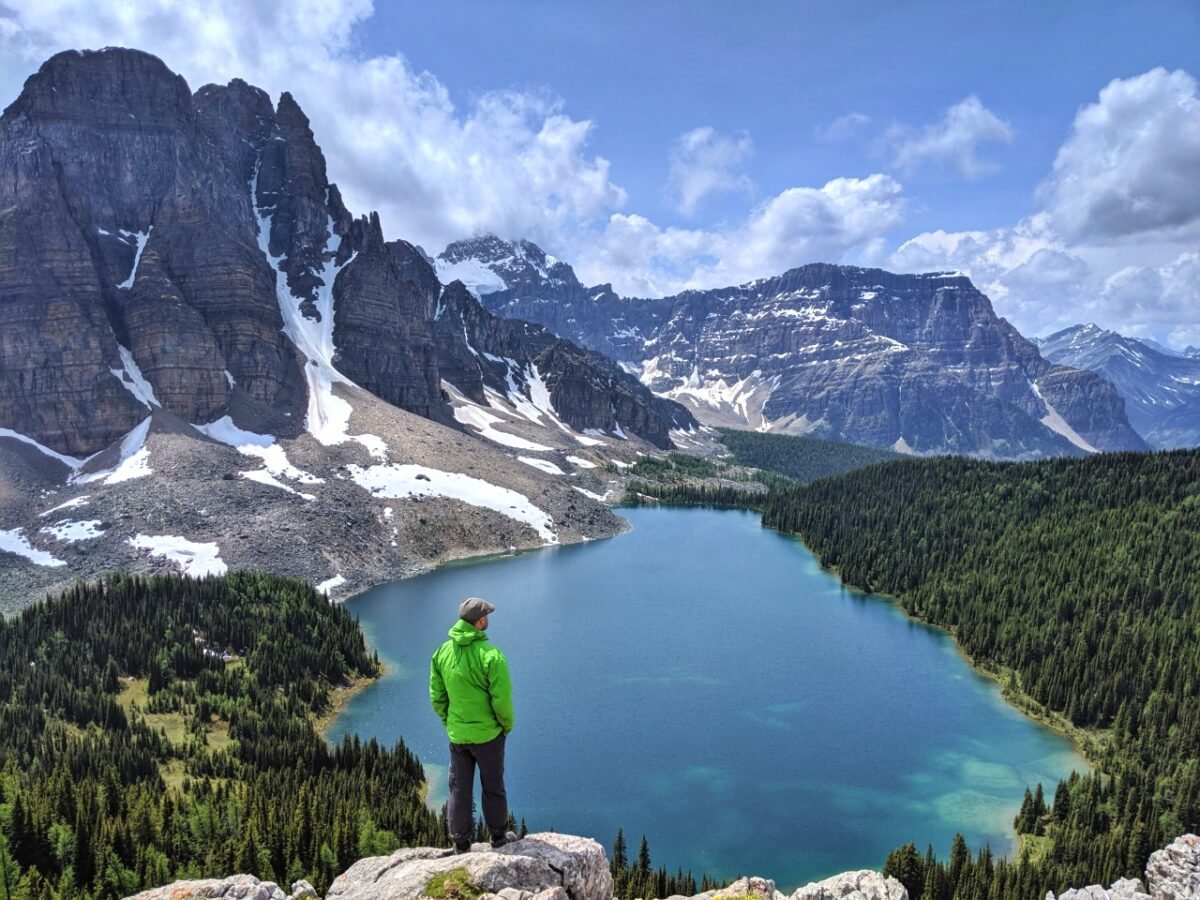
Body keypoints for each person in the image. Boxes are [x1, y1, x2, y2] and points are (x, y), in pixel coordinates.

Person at [429, 596, 515, 853]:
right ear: (479, 621)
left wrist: (451, 722)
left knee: (459, 789)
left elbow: (437, 696)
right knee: (493, 786)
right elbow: (502, 701)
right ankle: (499, 838)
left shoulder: (442, 653)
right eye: (486, 615)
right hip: (489, 735)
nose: (487, 619)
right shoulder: (491, 656)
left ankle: (460, 843)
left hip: (459, 737)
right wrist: (505, 726)